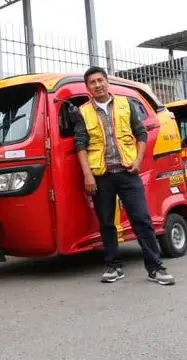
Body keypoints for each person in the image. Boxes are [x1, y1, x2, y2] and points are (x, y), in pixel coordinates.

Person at [72, 66, 175, 286]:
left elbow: (141, 133)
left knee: (142, 220)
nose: (97, 85)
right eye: (92, 82)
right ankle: (114, 266)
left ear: (107, 82)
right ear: (88, 87)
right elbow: (80, 144)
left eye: (100, 80)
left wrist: (138, 161)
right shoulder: (83, 112)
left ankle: (155, 268)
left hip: (128, 172)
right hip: (101, 176)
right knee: (106, 223)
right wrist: (87, 175)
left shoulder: (125, 104)